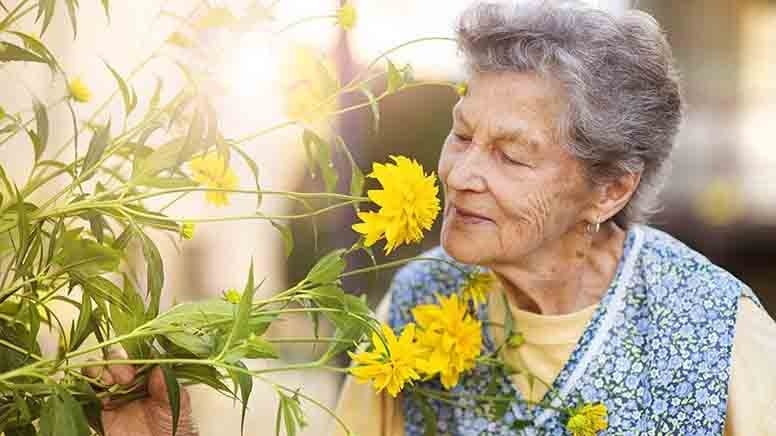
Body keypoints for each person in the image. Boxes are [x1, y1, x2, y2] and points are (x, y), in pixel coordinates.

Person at [94, 1, 776, 435]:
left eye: (511, 154)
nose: (460, 173)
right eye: (462, 134)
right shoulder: (421, 294)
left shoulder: (718, 331)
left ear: (608, 191)